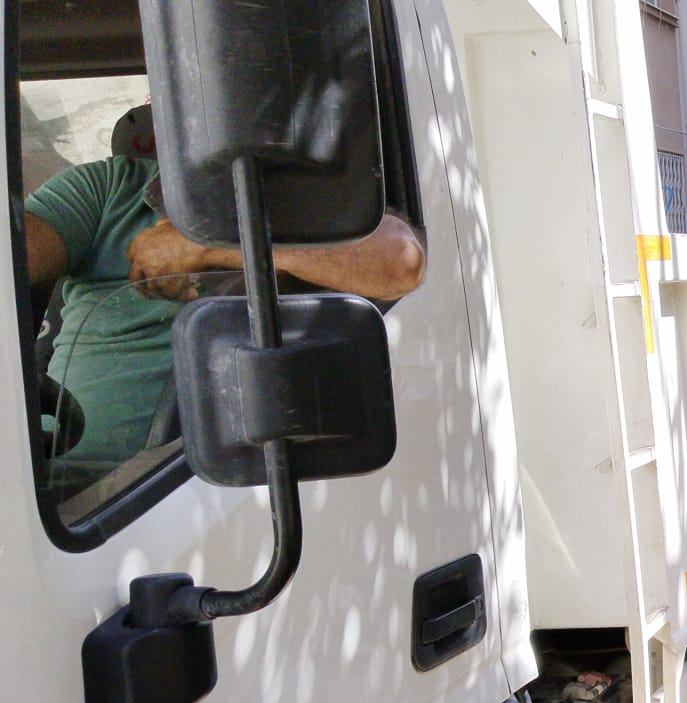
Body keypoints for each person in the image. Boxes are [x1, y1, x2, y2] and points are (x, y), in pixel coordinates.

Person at [26, 103, 426, 485]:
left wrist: (209, 246)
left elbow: (400, 263)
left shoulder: (310, 209)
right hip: (57, 484)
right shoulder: (107, 189)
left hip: (187, 491)